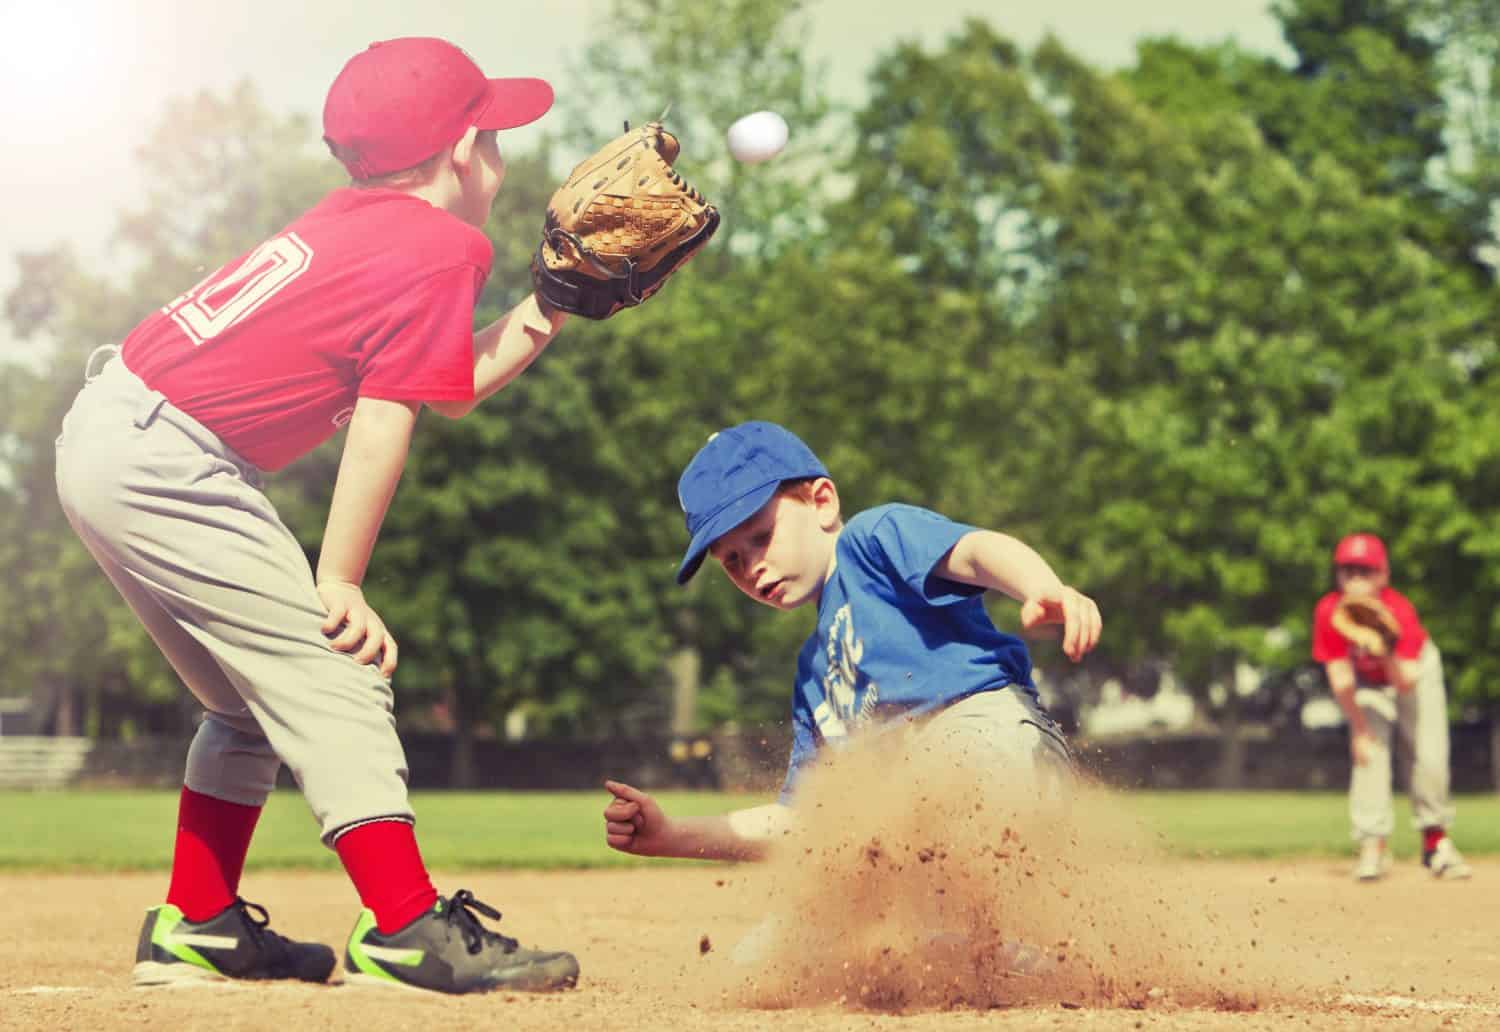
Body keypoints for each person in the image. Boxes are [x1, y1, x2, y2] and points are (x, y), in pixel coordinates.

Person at [54, 37, 581, 993]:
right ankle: (405, 926)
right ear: (465, 151)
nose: (501, 157)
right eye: (495, 135)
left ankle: (201, 924)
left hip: (112, 434)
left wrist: (549, 309)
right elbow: (389, 418)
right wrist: (338, 579)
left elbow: (443, 384)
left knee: (242, 706)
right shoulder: (445, 244)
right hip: (172, 458)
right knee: (335, 669)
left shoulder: (360, 224)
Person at [601, 420, 1100, 862]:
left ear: (822, 501)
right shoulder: (815, 678)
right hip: (919, 812)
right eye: (730, 560)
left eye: (759, 536)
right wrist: (672, 835)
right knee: (805, 936)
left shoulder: (873, 541)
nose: (751, 566)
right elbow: (805, 823)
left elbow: (975, 552)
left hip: (992, 743)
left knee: (904, 808)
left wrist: (1040, 586)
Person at [1311, 533, 1471, 882]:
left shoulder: (1399, 610)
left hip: (1413, 672)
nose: (1355, 578)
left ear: (1383, 575)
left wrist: (1384, 646)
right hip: (1366, 685)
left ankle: (1436, 843)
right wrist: (1359, 730)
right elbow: (1340, 677)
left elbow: (1406, 681)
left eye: (1365, 571)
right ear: (1337, 574)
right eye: (1348, 570)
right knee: (1369, 753)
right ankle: (1373, 846)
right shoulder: (1328, 612)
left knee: (1428, 755)